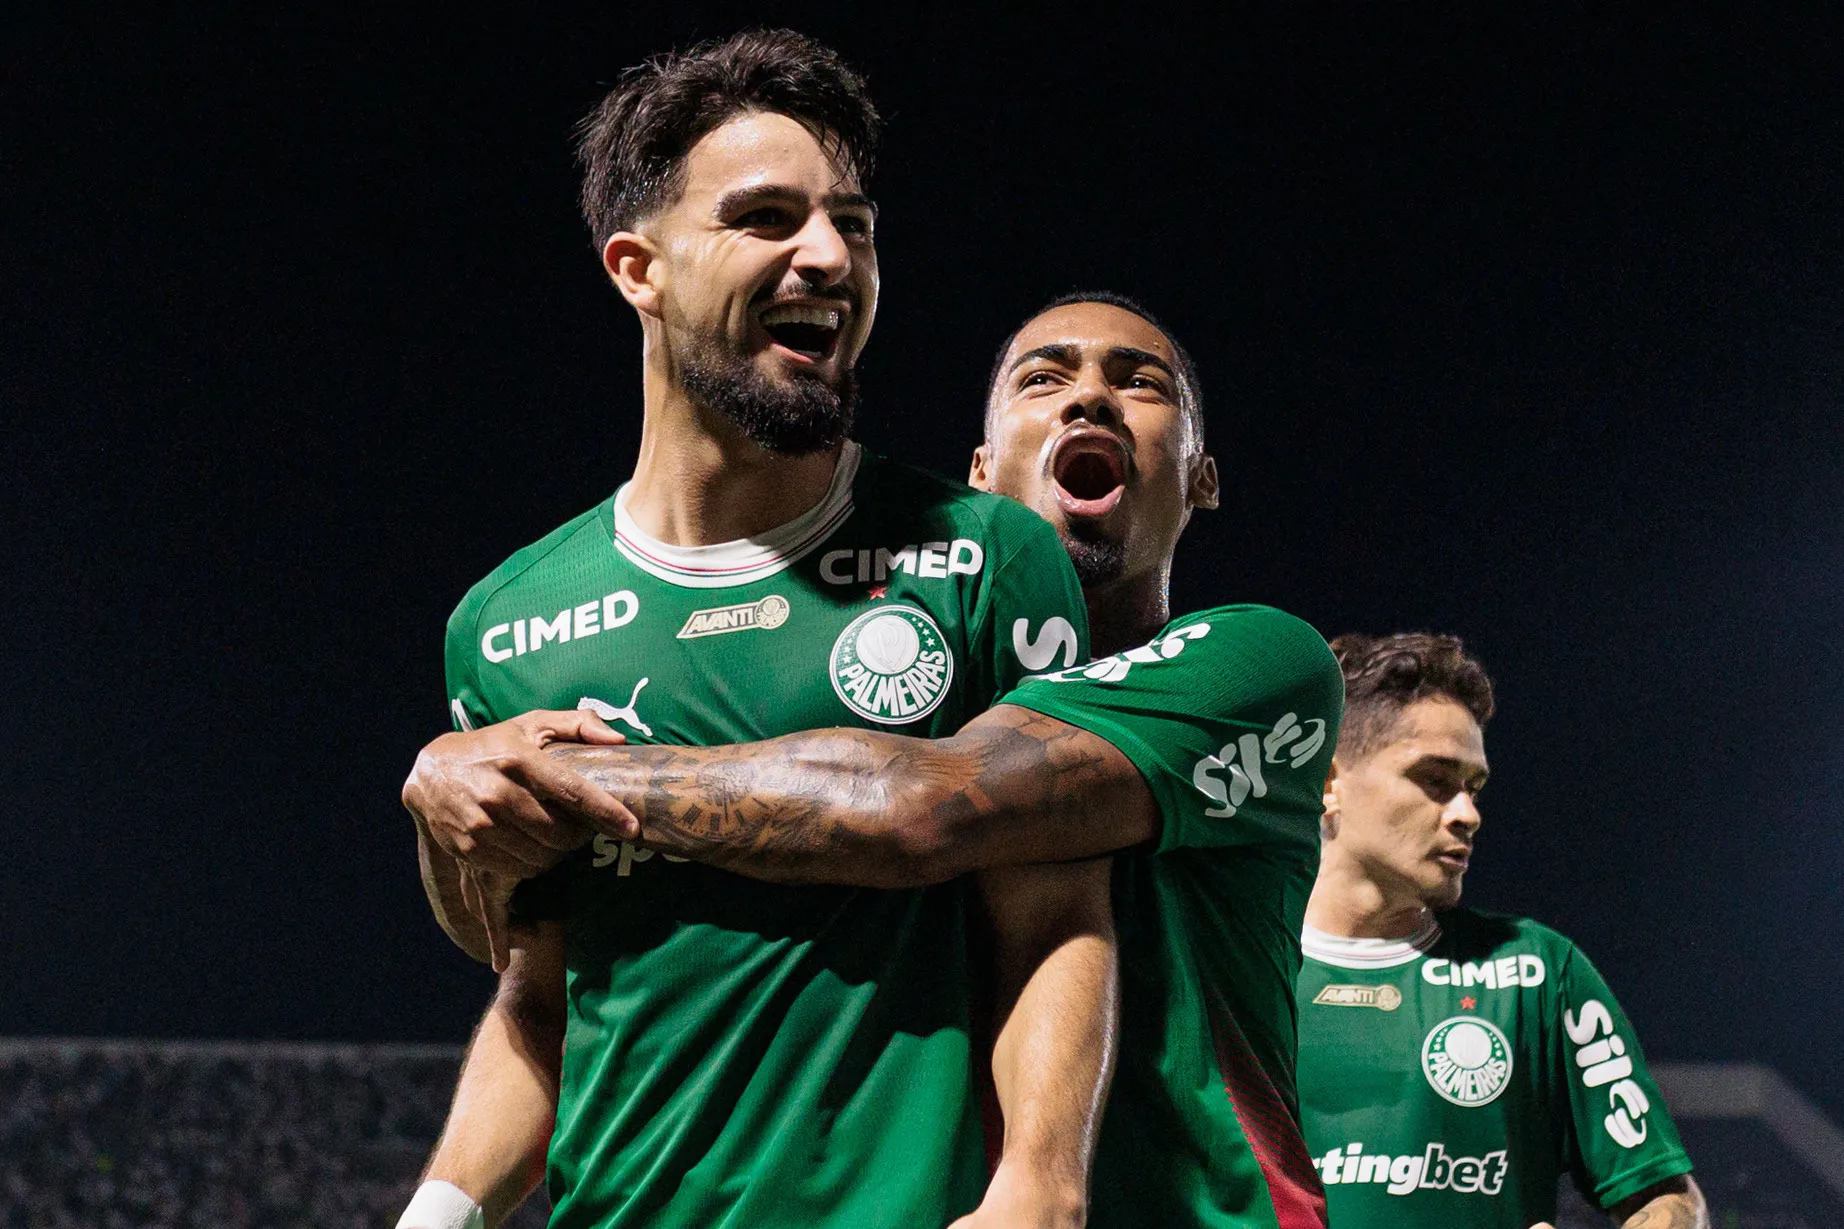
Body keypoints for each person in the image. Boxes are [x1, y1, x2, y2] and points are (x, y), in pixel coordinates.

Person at [413, 290, 1345, 1228]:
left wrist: (535, 773)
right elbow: (543, 968)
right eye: (1044, 378)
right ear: (979, 472)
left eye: (1142, 383)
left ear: (1204, 476)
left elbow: (916, 806)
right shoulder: (912, 673)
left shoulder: (1258, 664)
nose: (1091, 399)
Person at [396, 30, 1117, 1229]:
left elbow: (1054, 912)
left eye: (854, 223)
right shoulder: (508, 622)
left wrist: (1037, 1186)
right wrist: (441, 1209)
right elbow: (545, 994)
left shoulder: (983, 556)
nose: (828, 257)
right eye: (767, 218)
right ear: (639, 266)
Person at [1295, 633, 1706, 1229]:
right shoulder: (1232, 970)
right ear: (1330, 781)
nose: (1467, 813)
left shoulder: (1539, 970)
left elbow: (1669, 1199)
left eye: (1474, 788)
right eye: (1436, 781)